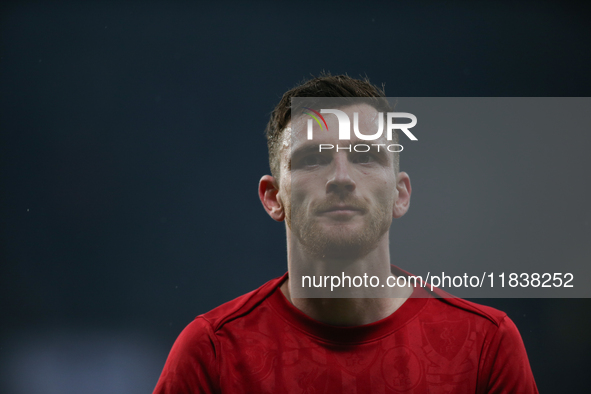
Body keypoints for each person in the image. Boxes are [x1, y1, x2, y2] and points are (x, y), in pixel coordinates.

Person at [153, 74, 538, 393]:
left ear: (399, 195)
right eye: (313, 158)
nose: (340, 178)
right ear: (274, 197)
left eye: (365, 156)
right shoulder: (212, 352)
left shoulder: (485, 345)